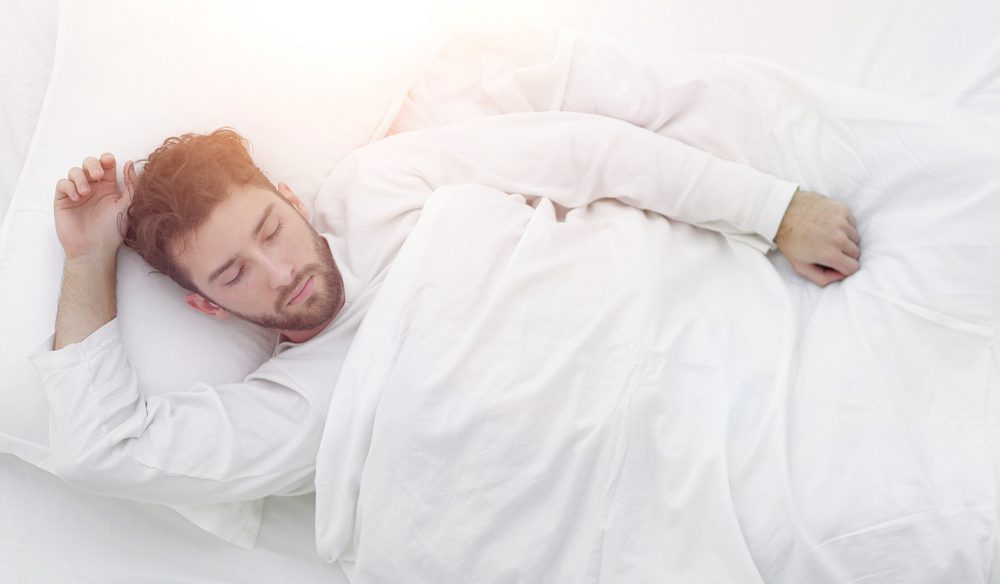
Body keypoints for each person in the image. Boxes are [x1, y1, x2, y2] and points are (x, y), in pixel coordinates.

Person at [34, 112, 860, 505]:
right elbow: (99, 449)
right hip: (665, 488)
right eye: (234, 274)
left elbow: (582, 152)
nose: (279, 272)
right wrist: (90, 254)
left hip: (726, 337)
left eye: (271, 229)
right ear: (205, 307)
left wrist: (772, 209)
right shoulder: (298, 407)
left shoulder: (380, 188)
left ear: (290, 195)